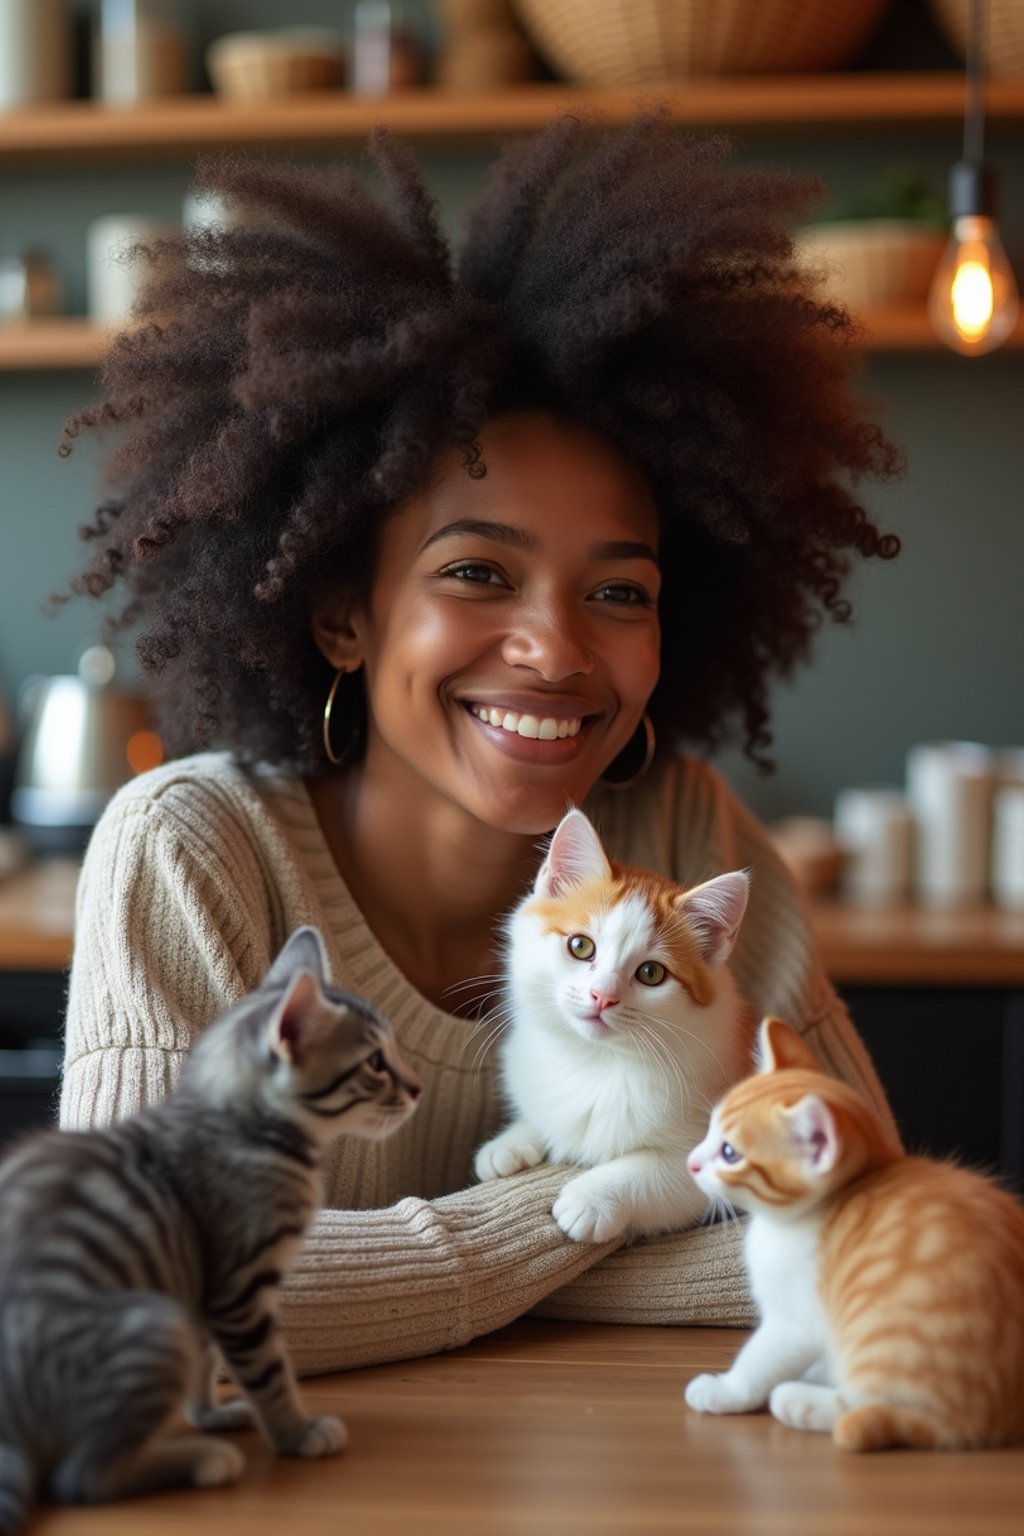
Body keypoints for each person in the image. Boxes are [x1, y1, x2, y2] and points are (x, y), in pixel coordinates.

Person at [58, 115, 903, 1376]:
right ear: (343, 613)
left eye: (618, 592)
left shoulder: (685, 842)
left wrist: (363, 1280)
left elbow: (871, 1235)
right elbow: (133, 1300)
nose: (557, 650)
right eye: (475, 572)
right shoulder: (193, 852)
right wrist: (577, 1217)